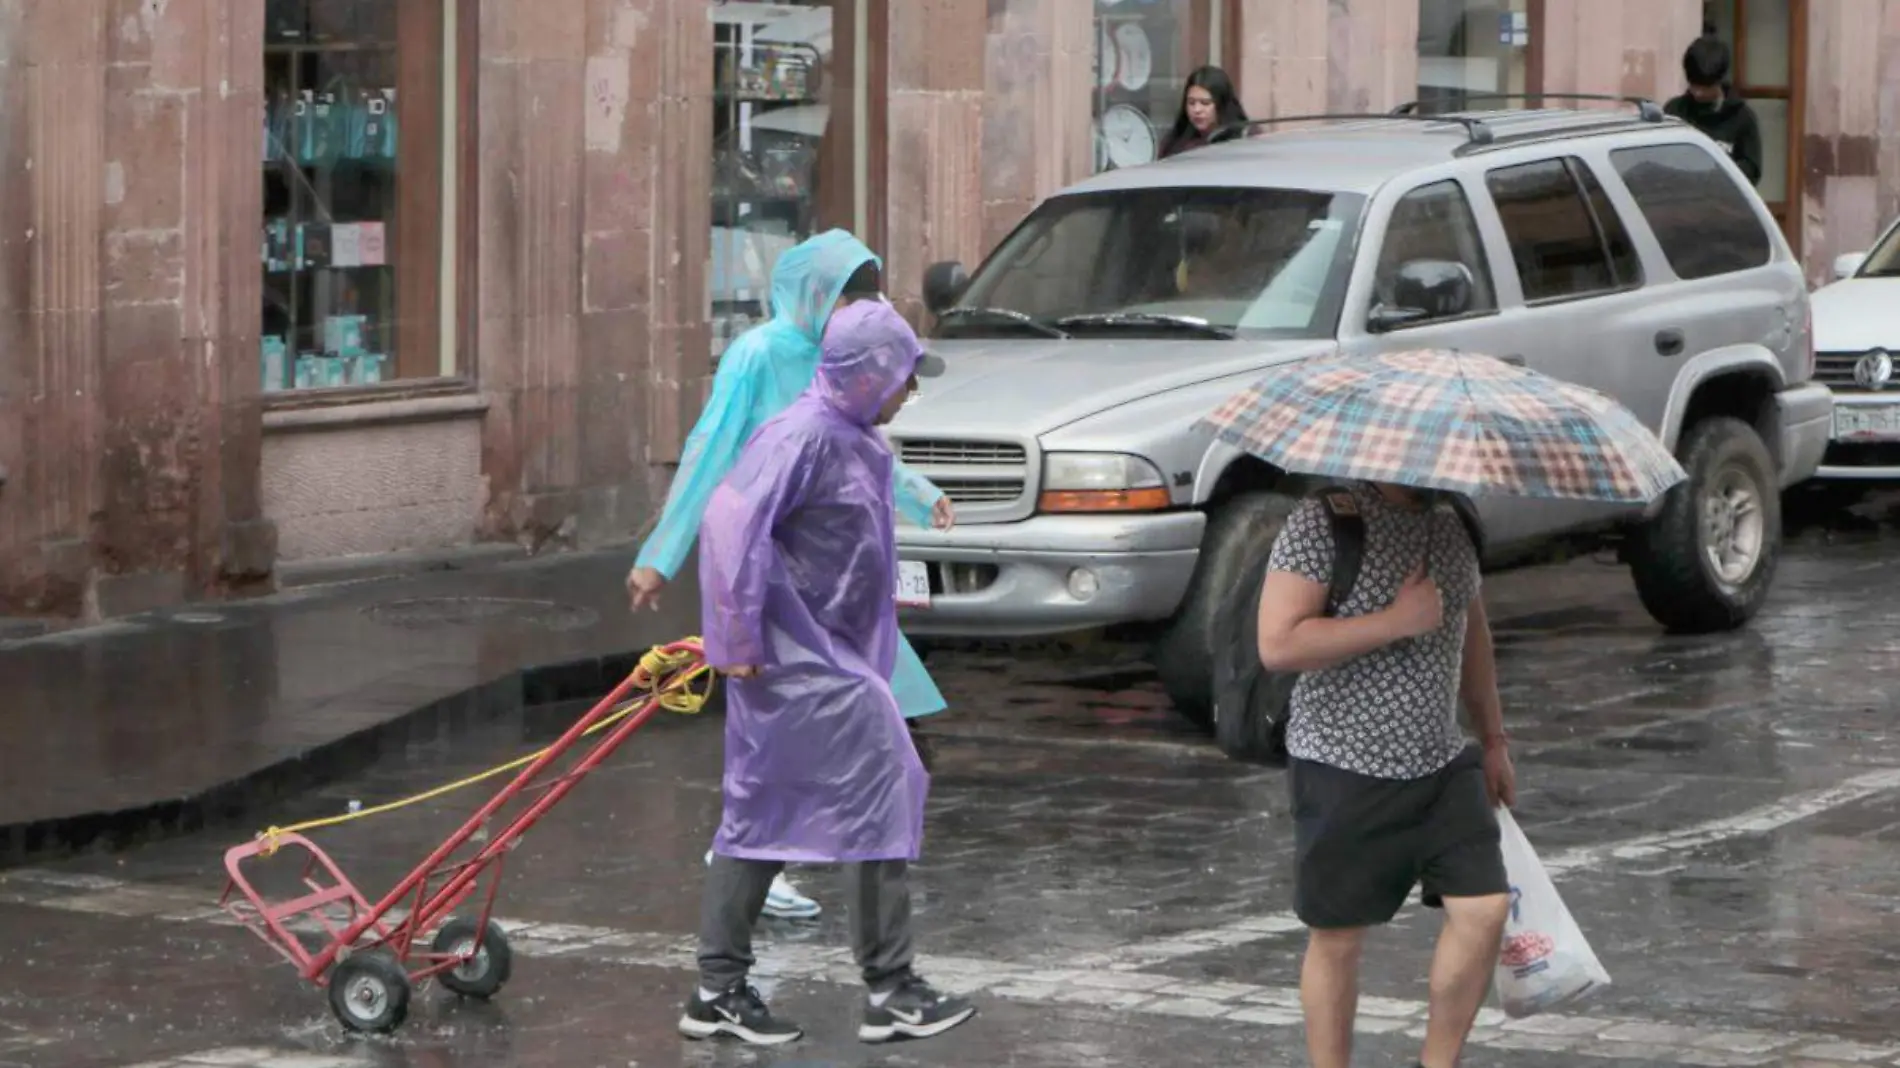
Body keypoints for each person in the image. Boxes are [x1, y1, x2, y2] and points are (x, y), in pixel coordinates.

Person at [626, 230, 954, 922]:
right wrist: (662, 554)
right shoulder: (759, 355)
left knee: (851, 722)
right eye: (847, 295)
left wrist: (918, 494)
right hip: (777, 576)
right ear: (815, 294)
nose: (853, 309)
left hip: (836, 582)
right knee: (805, 725)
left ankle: (795, 859)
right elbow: (712, 454)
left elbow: (862, 452)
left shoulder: (840, 361)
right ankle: (760, 866)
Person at [679, 300, 978, 1047]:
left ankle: (719, 989)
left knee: (765, 813)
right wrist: (737, 638)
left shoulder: (847, 436)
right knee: (880, 785)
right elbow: (729, 526)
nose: (911, 391)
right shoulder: (804, 435)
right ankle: (892, 987)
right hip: (798, 660)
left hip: (821, 654)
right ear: (872, 374)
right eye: (906, 376)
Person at [1255, 482, 1515, 1068]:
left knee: (1484, 911)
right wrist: (1396, 620)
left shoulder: (1455, 519)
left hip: (1442, 763)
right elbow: (1278, 643)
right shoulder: (1323, 522)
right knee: (1339, 938)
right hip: (1343, 767)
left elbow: (1473, 635)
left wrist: (1494, 738)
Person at [1663, 28, 1763, 186]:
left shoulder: (1743, 118)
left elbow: (1752, 170)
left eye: (1704, 87)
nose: (1697, 93)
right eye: (1693, 85)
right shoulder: (1674, 112)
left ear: (1719, 81)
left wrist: (1715, 174)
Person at [1160, 64, 1249, 158]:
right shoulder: (1175, 142)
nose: (1197, 110)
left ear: (1221, 103)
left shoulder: (1245, 138)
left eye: (1205, 103)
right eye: (1191, 102)